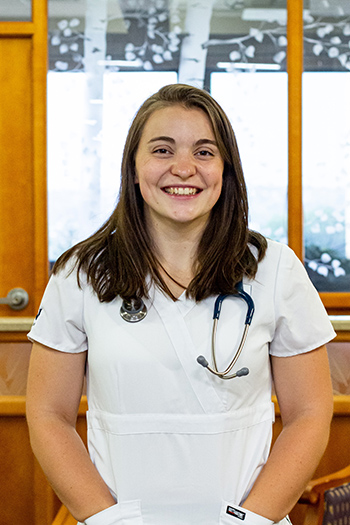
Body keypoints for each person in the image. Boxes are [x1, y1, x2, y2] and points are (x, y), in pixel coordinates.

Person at [26, 84, 336, 525]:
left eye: (205, 152)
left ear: (226, 170)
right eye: (162, 150)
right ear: (134, 168)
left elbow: (309, 413)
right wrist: (107, 519)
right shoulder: (80, 273)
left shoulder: (274, 269)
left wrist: (250, 520)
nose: (184, 168)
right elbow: (48, 415)